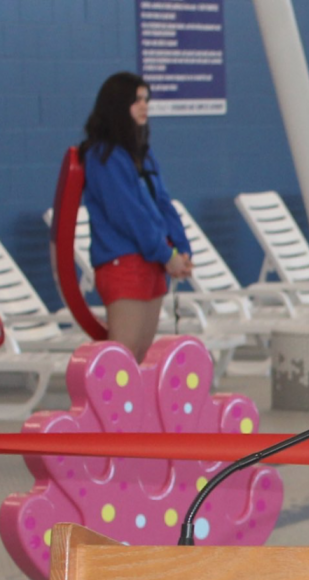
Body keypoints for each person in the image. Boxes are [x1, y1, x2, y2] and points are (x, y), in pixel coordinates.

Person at [79, 72, 193, 362]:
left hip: (153, 262)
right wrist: (166, 254)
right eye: (136, 100)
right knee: (123, 357)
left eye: (146, 99)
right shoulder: (103, 156)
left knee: (140, 355)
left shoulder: (142, 153)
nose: (144, 105)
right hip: (125, 263)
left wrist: (181, 248)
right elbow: (128, 214)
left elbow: (163, 204)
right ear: (118, 105)